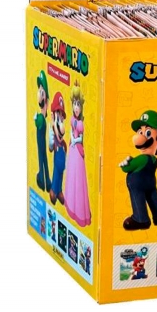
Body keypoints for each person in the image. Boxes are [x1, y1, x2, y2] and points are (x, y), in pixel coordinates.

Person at [119, 110, 157, 230]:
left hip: (138, 186)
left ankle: (140, 219)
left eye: (147, 132)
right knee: (153, 196)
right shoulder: (154, 159)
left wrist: (126, 163)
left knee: (138, 198)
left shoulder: (142, 159)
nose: (140, 136)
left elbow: (126, 168)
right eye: (140, 132)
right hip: (150, 183)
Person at [63, 81, 91, 227]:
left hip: (78, 151)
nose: (76, 107)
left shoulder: (80, 123)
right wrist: (72, 139)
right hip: (73, 149)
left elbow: (81, 137)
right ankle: (70, 205)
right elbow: (70, 131)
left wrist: (75, 140)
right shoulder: (72, 119)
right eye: (74, 104)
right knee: (71, 176)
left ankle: (80, 213)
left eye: (78, 104)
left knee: (78, 179)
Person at [49, 92, 67, 205]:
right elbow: (52, 142)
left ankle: (59, 190)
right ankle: (53, 190)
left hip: (62, 154)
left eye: (61, 114)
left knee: (61, 172)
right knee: (56, 172)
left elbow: (61, 135)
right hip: (57, 152)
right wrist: (53, 123)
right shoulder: (53, 127)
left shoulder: (59, 125)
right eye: (58, 113)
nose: (60, 116)